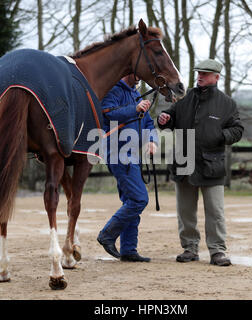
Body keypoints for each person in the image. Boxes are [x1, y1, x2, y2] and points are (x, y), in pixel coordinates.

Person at [157, 59, 244, 266]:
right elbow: (169, 119)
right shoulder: (183, 100)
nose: (200, 76)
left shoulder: (227, 103)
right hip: (183, 162)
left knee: (215, 211)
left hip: (212, 165)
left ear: (216, 77)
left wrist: (220, 135)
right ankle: (189, 248)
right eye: (198, 73)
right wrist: (164, 120)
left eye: (205, 73)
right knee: (185, 211)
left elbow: (238, 130)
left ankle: (217, 251)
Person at [97, 74, 158, 262]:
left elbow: (148, 122)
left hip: (132, 153)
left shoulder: (136, 93)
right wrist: (134, 108)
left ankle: (128, 250)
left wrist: (152, 140)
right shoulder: (112, 90)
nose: (140, 76)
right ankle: (107, 234)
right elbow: (107, 112)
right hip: (117, 151)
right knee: (139, 199)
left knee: (131, 201)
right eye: (136, 72)